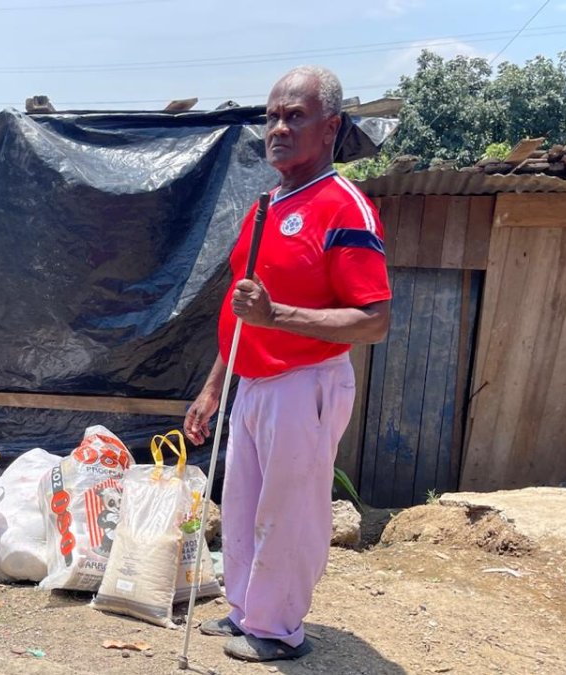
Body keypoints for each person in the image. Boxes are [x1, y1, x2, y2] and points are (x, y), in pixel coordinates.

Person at [183, 65, 392, 663]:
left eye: (294, 116)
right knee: (246, 505)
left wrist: (281, 319)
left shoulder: (344, 208)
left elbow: (373, 320)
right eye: (271, 115)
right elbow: (244, 307)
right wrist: (214, 386)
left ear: (331, 128)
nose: (277, 127)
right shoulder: (267, 205)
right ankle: (248, 609)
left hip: (306, 383)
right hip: (253, 382)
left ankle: (279, 628)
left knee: (289, 511)